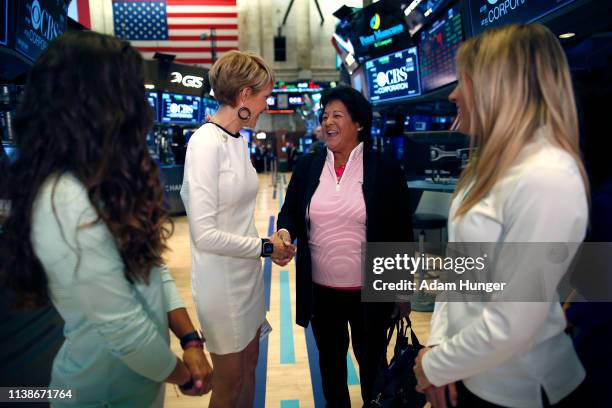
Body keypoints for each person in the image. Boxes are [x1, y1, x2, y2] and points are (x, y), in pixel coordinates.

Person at [0, 31, 212, 407]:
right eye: (128, 88)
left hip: (141, 388)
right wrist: (184, 375)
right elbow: (124, 330)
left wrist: (190, 339)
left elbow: (151, 269)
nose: (140, 103)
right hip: (96, 395)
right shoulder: (63, 197)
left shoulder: (106, 179)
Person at [413, 24, 589, 408]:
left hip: (521, 388)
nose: (455, 94)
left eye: (466, 82)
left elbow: (515, 322)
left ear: (500, 87)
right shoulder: (487, 166)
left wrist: (434, 366)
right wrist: (439, 343)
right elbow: (460, 270)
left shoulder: (548, 176)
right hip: (470, 372)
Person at [275, 85, 413, 406]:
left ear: (359, 123)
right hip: (322, 294)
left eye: (337, 115)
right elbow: (291, 212)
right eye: (325, 116)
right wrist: (284, 231)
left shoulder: (384, 168)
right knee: (331, 370)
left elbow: (399, 231)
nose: (327, 121)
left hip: (371, 294)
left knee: (373, 372)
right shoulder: (309, 166)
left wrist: (402, 290)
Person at [180, 50, 294, 407]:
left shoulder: (239, 141)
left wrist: (272, 240)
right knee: (229, 383)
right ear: (244, 95)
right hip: (221, 285)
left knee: (249, 368)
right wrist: (265, 248)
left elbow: (239, 217)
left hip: (247, 278)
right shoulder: (204, 143)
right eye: (263, 97)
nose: (265, 106)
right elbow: (205, 234)